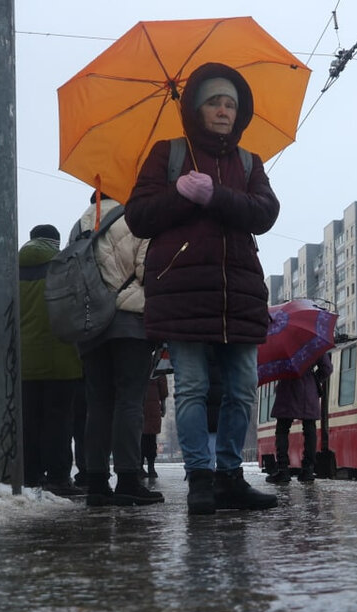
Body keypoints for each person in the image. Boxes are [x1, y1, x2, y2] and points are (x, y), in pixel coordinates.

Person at [125, 63, 279, 515]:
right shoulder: (167, 154)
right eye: (214, 102)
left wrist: (216, 196)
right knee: (191, 387)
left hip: (239, 293)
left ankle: (230, 476)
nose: (223, 110)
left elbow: (265, 213)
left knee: (242, 388)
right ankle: (200, 480)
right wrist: (180, 193)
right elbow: (138, 216)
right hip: (184, 290)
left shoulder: (249, 162)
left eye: (230, 104)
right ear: (196, 108)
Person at [73, 193, 164, 507]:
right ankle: (127, 479)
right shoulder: (137, 220)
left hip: (90, 326)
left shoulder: (79, 226)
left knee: (97, 404)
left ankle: (96, 482)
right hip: (129, 325)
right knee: (129, 400)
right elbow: (147, 274)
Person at [19, 224, 85, 497]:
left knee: (29, 421)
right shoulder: (64, 265)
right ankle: (58, 478)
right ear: (56, 242)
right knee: (59, 420)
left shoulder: (10, 266)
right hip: (63, 356)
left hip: (22, 360)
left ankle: (30, 477)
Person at [266, 352, 333, 484]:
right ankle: (308, 470)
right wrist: (314, 379)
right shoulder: (313, 342)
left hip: (287, 386)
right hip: (309, 389)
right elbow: (327, 368)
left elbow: (273, 367)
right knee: (309, 429)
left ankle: (283, 470)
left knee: (282, 429)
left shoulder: (283, 341)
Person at [141, 373, 169, 479]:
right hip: (153, 408)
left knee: (139, 439)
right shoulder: (157, 366)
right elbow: (163, 390)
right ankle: (151, 468)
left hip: (138, 405)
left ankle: (139, 467)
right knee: (151, 439)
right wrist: (163, 404)